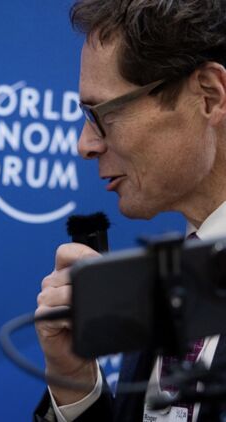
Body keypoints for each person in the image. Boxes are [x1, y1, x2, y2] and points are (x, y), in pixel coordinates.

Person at [34, 0, 226, 421]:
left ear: (209, 96)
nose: (85, 144)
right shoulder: (169, 278)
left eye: (103, 113)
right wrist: (75, 382)